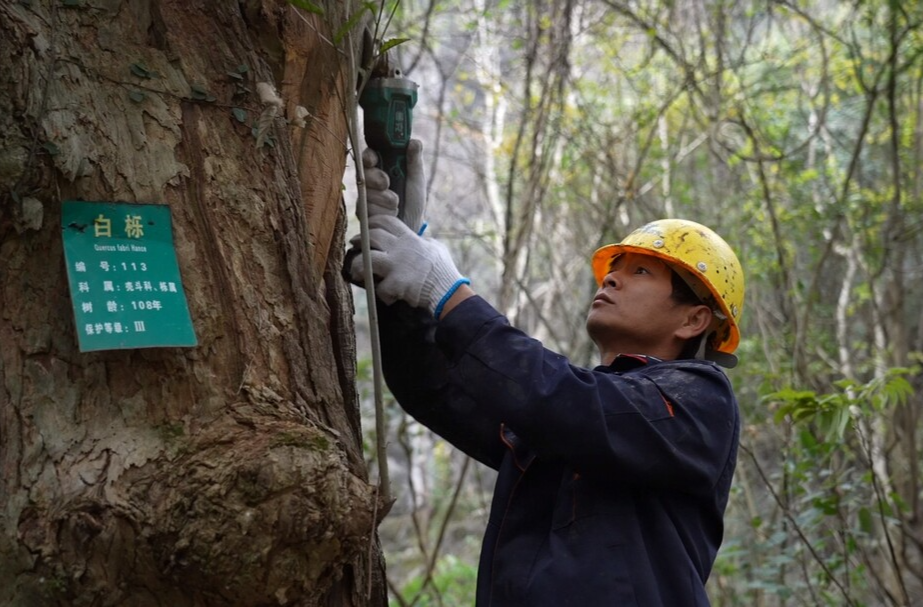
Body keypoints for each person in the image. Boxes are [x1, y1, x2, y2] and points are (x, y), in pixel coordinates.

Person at [348, 141, 744, 606]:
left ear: (693, 320)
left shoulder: (700, 400)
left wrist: (446, 290)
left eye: (640, 272)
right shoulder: (570, 421)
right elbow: (436, 389)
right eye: (614, 269)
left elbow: (560, 400)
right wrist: (401, 282)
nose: (610, 279)